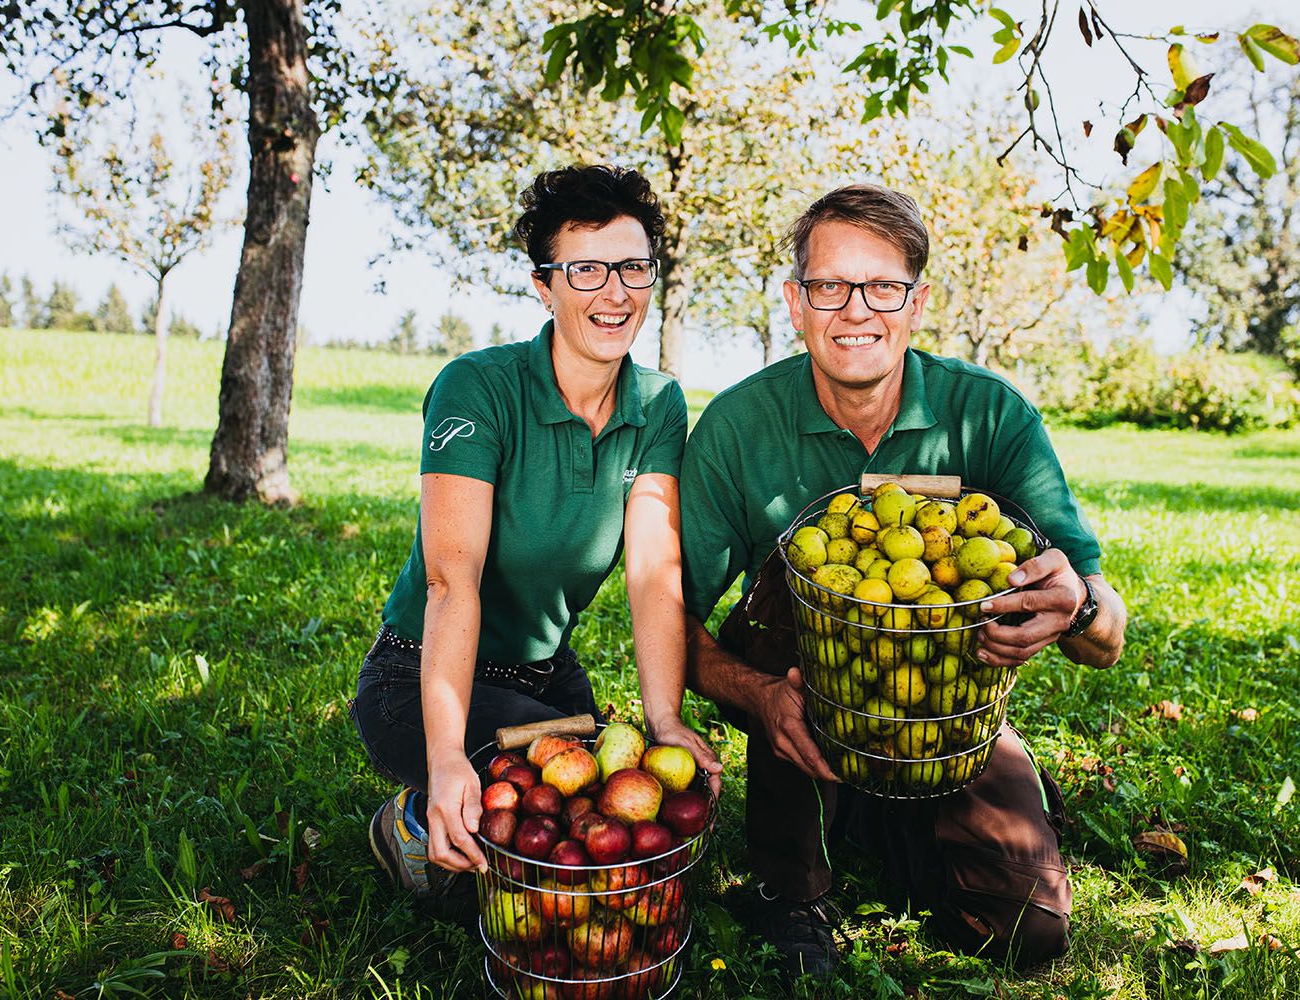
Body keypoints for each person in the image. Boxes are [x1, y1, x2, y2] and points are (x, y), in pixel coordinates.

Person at [679, 184, 1126, 974]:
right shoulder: (738, 427)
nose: (857, 310)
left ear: (916, 302)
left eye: (882, 286)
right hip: (806, 681)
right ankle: (794, 886)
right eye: (830, 286)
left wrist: (1079, 604)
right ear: (796, 302)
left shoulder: (988, 415)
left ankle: (887, 813)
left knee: (1027, 930)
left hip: (947, 709)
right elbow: (668, 620)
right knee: (799, 585)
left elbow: (1106, 640)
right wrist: (757, 696)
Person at [352, 164, 721, 903]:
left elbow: (653, 571)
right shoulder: (479, 387)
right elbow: (452, 580)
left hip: (547, 678)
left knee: (600, 828)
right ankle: (411, 820)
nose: (615, 292)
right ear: (543, 286)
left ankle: (462, 797)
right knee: (515, 859)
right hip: (420, 674)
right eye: (586, 269)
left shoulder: (657, 404)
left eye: (633, 267)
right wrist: (448, 753)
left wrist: (666, 717)